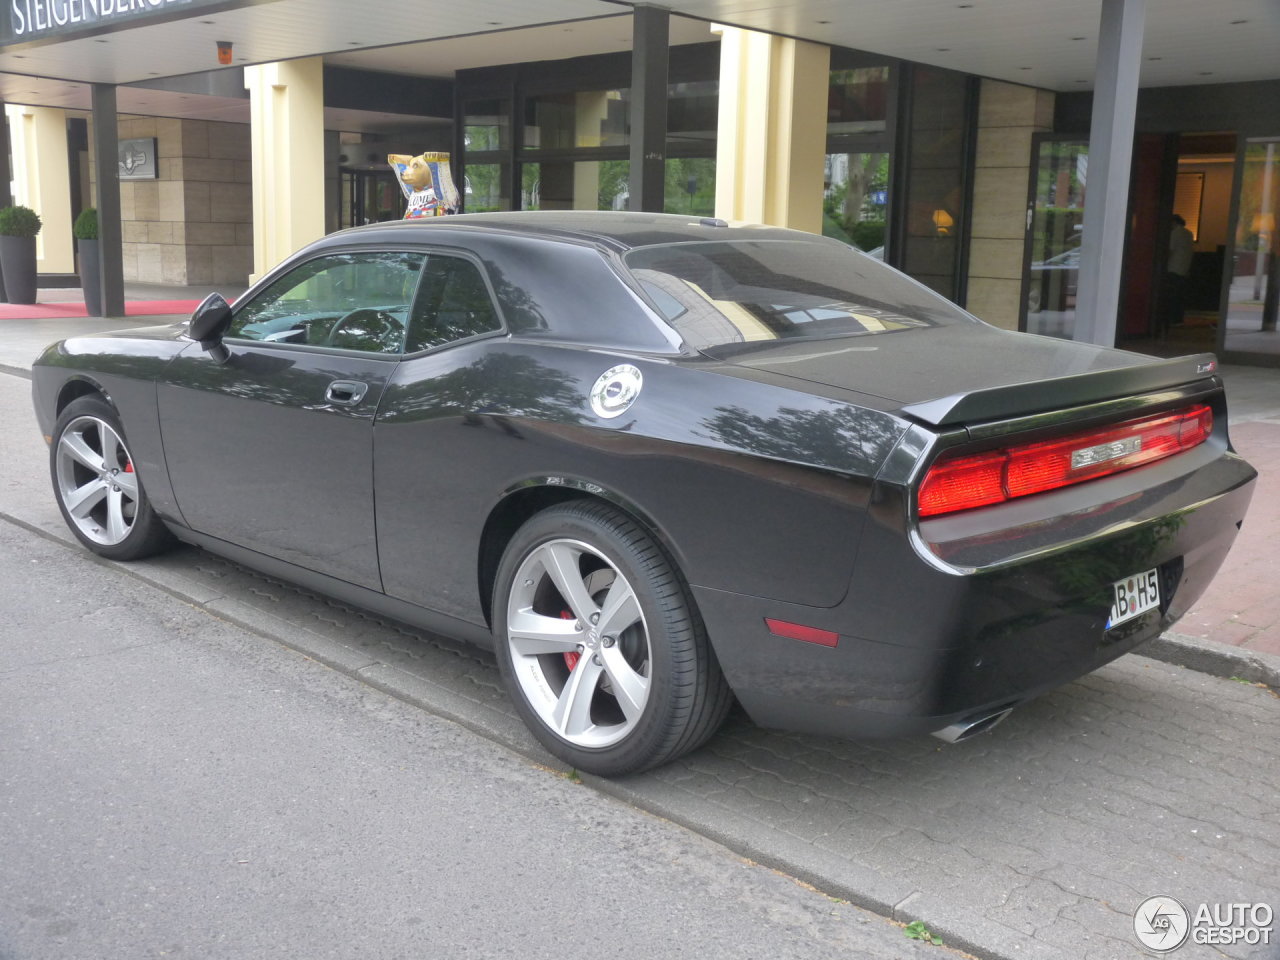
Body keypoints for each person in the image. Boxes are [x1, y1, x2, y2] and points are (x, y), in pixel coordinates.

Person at [1162, 214, 1194, 338]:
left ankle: (1171, 319)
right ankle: (1178, 319)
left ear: (1174, 222)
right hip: (1184, 267)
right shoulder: (1189, 234)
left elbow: (1170, 250)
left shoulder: (1175, 233)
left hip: (1173, 267)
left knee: (1171, 294)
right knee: (1180, 295)